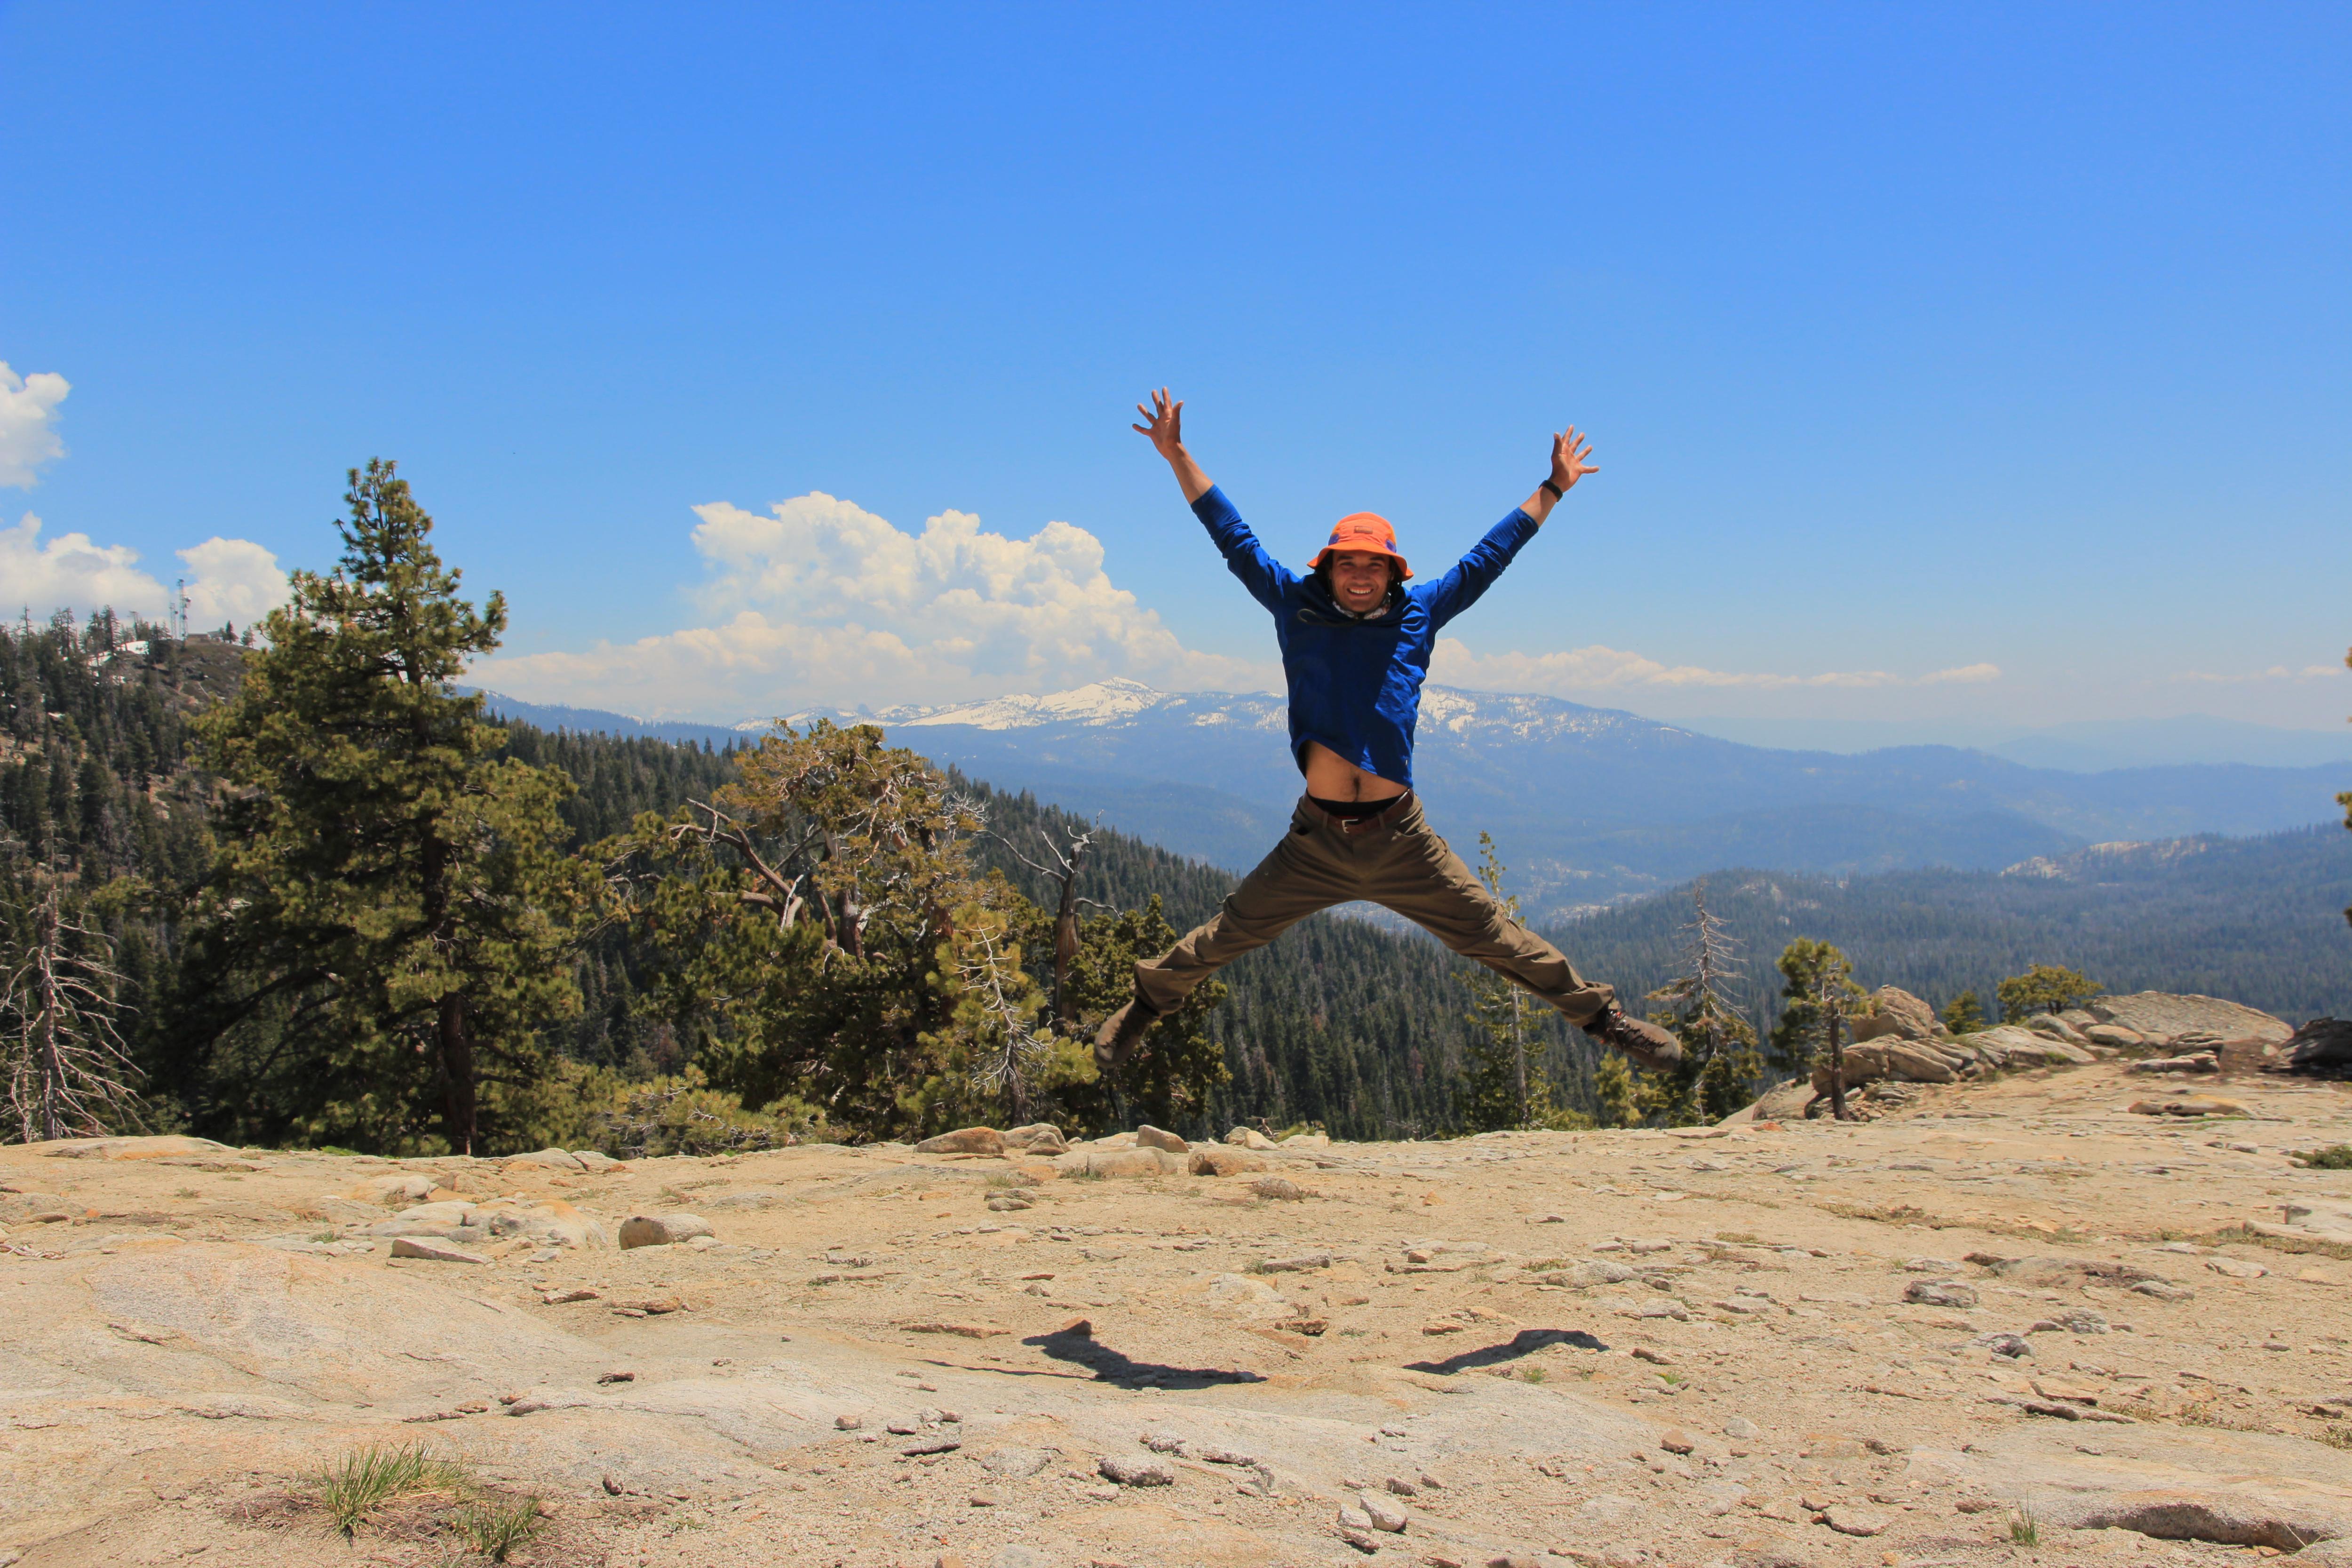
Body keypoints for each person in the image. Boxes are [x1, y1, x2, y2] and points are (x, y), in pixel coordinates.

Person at [1096, 389, 1682, 1075]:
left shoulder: (1420, 613)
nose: (1360, 575)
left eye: (1374, 565)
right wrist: (1177, 454)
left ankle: (1607, 1022)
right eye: (1348, 562)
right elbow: (1233, 535)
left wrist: (1553, 487)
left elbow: (1489, 556)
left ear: (1393, 572)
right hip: (1316, 841)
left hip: (1402, 838)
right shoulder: (1293, 604)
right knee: (1230, 931)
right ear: (1328, 566)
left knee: (1496, 937)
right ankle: (1143, 1008)